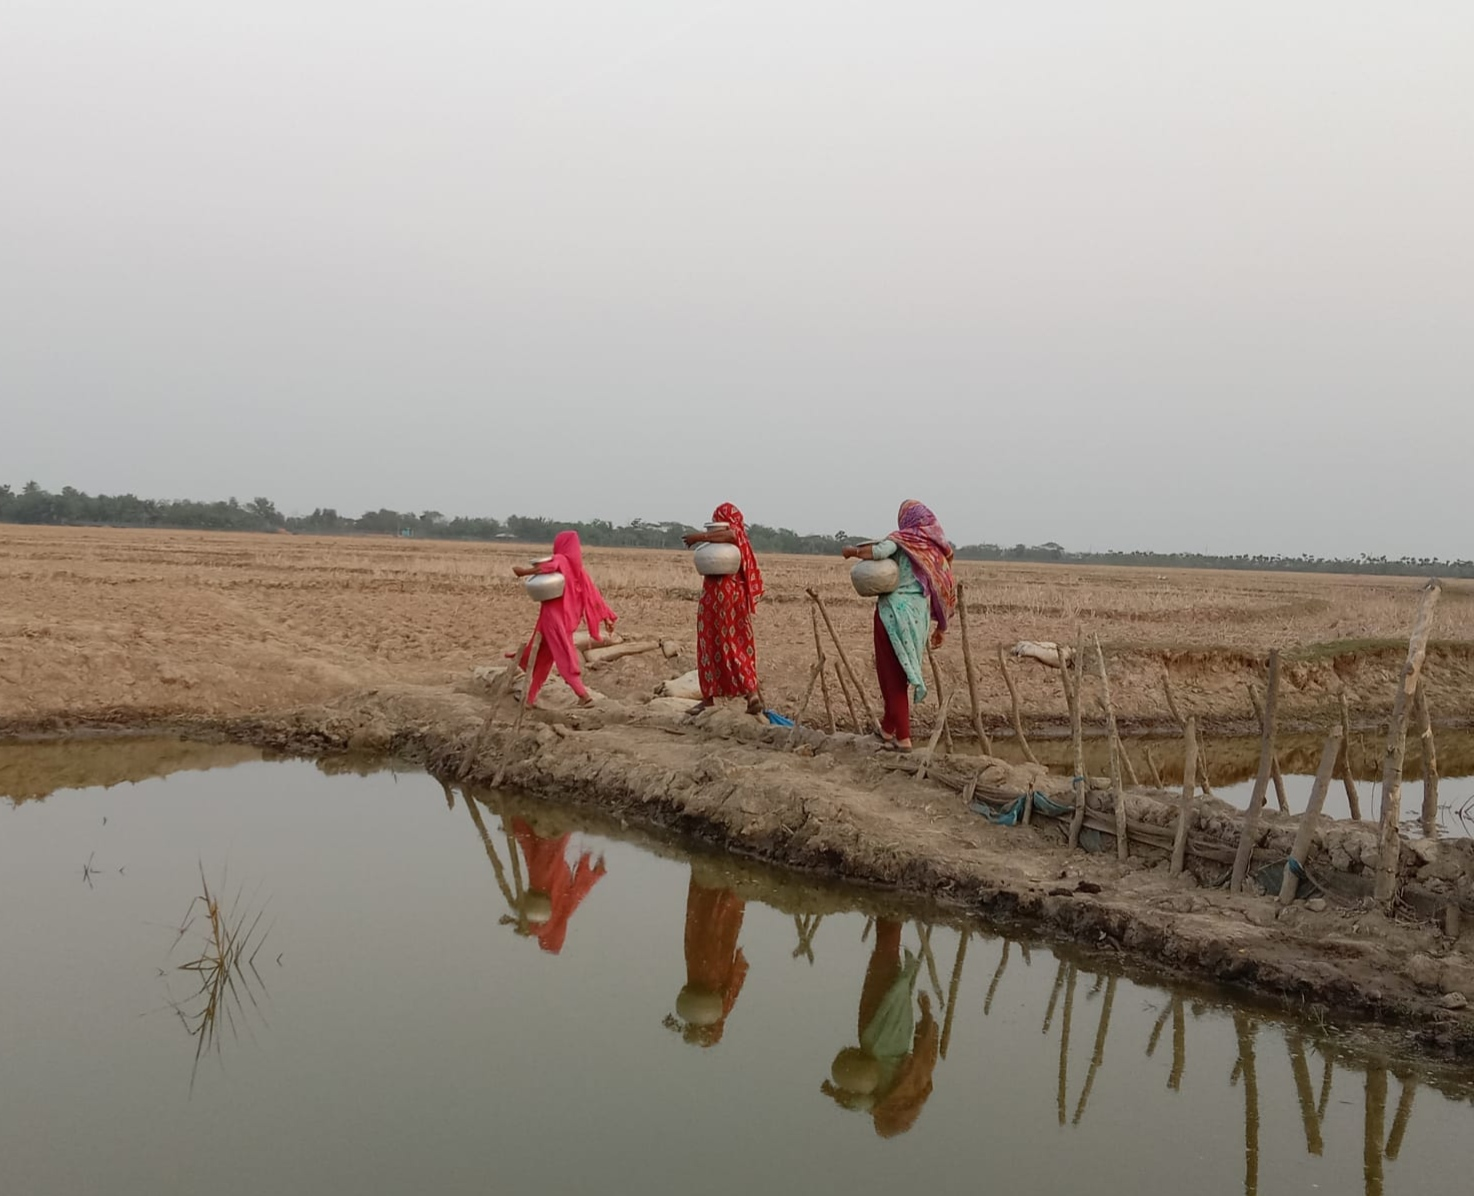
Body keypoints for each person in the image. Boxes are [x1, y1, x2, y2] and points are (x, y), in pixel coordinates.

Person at [842, 500, 957, 752]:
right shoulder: (936, 552)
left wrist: (852, 551)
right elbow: (945, 589)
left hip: (894, 613)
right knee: (901, 673)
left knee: (891, 675)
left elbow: (878, 552)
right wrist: (941, 628)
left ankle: (903, 738)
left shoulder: (903, 540)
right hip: (918, 615)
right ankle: (887, 729)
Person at [820, 919, 939, 1137]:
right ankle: (891, 913)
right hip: (877, 1032)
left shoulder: (912, 1087)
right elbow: (858, 1101)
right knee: (885, 958)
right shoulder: (881, 1101)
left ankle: (889, 915)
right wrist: (834, 1093)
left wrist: (925, 1015)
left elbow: (923, 1049)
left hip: (898, 1030)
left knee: (887, 961)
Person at [511, 529, 617, 708]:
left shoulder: (561, 560)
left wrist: (522, 572)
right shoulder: (579, 571)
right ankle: (529, 699)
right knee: (545, 657)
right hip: (567, 620)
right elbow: (594, 596)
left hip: (554, 619)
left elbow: (545, 567)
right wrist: (607, 617)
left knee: (564, 657)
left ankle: (583, 695)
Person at [682, 503, 765, 716]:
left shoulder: (734, 535)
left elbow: (729, 534)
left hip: (725, 598)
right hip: (719, 599)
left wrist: (699, 538)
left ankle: (749, 693)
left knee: (730, 643)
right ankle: (716, 697)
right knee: (713, 645)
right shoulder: (732, 541)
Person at [665, 867, 748, 1048]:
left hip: (704, 969)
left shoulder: (716, 1013)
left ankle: (717, 886)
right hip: (710, 970)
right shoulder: (717, 1014)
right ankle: (721, 887)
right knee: (712, 926)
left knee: (708, 925)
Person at [509, 817, 606, 954]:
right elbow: (577, 893)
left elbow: (578, 893)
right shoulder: (557, 918)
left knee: (549, 842)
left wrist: (594, 874)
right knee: (536, 843)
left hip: (549, 878)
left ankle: (557, 821)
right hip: (543, 878)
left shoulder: (558, 918)